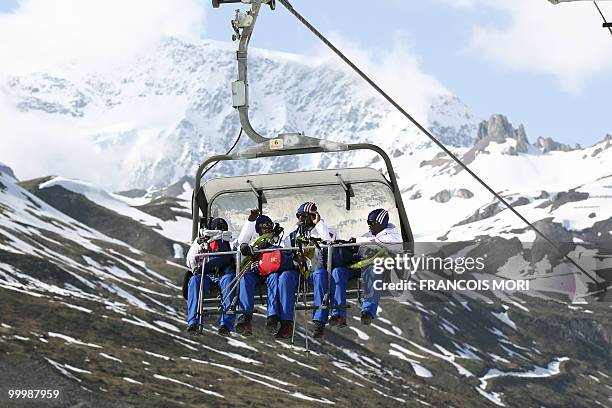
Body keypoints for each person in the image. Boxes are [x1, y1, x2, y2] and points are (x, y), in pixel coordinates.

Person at [235, 210, 299, 338]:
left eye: (270, 225)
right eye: (264, 226)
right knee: (245, 278)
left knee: (274, 278)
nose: (268, 228)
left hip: (271, 270)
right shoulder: (254, 241)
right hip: (256, 270)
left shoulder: (279, 240)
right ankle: (245, 317)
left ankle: (273, 317)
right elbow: (240, 245)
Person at [286, 202, 333, 339]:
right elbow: (286, 253)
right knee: (285, 277)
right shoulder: (293, 235)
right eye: (298, 215)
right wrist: (296, 259)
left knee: (320, 275)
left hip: (315, 272)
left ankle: (319, 321)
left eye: (303, 215)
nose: (300, 218)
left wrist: (319, 225)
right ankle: (284, 322)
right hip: (299, 272)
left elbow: (329, 243)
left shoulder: (324, 231)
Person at [350, 208, 402, 325]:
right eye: (368, 222)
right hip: (366, 266)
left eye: (371, 223)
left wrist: (358, 240)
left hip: (387, 270)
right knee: (340, 271)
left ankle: (368, 311)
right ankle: (336, 313)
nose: (369, 225)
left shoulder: (393, 236)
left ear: (380, 224)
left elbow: (378, 242)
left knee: (374, 268)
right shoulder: (368, 236)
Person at [185, 217, 236, 336]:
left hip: (224, 274)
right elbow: (190, 261)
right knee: (194, 281)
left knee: (229, 281)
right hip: (207, 275)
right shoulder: (203, 243)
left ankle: (226, 324)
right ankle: (194, 322)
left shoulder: (232, 242)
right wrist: (197, 244)